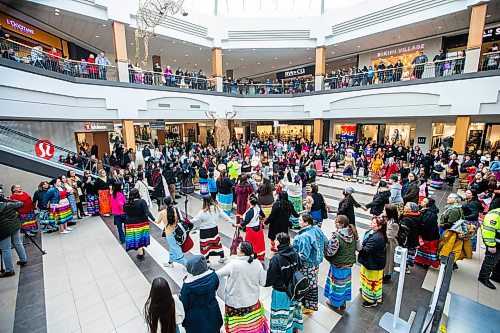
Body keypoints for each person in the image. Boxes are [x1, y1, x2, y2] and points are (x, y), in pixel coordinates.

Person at [216, 241, 269, 333]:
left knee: (237, 328)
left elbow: (218, 274)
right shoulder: (257, 264)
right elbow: (263, 283)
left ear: (242, 253)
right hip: (252, 303)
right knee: (251, 327)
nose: (236, 249)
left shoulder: (234, 264)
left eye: (238, 248)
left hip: (235, 304)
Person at [265, 232, 303, 332]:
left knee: (280, 314)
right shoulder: (295, 253)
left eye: (276, 240)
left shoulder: (276, 259)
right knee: (292, 310)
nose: (275, 242)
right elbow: (300, 267)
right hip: (294, 289)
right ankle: (292, 328)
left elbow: (269, 280)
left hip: (281, 292)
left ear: (280, 242)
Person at [293, 213, 329, 314]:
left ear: (306, 223)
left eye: (300, 220)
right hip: (315, 263)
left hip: (307, 265)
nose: (298, 221)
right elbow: (326, 241)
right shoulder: (317, 229)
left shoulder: (304, 236)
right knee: (313, 283)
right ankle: (311, 305)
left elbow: (303, 255)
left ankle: (307, 306)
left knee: (305, 284)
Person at [324, 215, 358, 312]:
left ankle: (335, 305)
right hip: (348, 266)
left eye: (336, 222)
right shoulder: (353, 234)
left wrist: (325, 249)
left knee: (337, 285)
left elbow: (330, 252)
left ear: (342, 225)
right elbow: (357, 247)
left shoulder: (337, 237)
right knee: (345, 284)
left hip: (338, 265)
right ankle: (343, 302)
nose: (335, 223)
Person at [180, 255, 223, 333]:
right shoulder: (213, 276)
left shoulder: (187, 286)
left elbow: (183, 303)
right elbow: (216, 287)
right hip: (212, 312)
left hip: (195, 319)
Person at [190, 196, 231, 264]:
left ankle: (207, 260)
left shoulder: (203, 212)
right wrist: (232, 222)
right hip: (214, 229)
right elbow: (225, 215)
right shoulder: (216, 208)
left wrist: (185, 221)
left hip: (204, 231)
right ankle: (222, 256)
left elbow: (194, 220)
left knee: (205, 245)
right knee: (216, 243)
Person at [357, 216, 387, 308]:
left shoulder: (377, 238)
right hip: (369, 262)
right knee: (367, 280)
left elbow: (365, 250)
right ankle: (367, 293)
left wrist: (358, 246)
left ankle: (371, 300)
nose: (371, 224)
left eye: (374, 223)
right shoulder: (373, 233)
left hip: (373, 263)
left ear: (379, 226)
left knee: (372, 283)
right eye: (371, 222)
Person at [0, 188, 28, 278]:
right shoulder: (8, 204)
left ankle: (9, 270)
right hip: (14, 226)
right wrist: (9, 200)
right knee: (17, 242)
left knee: (6, 249)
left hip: (3, 230)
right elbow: (21, 204)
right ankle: (23, 259)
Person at [155, 196, 186, 267]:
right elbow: (181, 220)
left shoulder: (162, 213)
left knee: (176, 249)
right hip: (177, 232)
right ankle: (170, 262)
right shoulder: (176, 210)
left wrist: (153, 219)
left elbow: (157, 222)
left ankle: (186, 264)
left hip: (169, 234)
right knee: (172, 248)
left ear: (164, 203)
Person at [124, 188, 154, 260]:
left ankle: (140, 252)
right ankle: (140, 254)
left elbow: (125, 212)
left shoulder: (126, 203)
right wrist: (153, 219)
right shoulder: (142, 202)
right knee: (140, 237)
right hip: (142, 223)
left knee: (135, 238)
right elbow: (147, 212)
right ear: (138, 194)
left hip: (131, 224)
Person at [478, 200, 500, 289]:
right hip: (495, 244)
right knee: (490, 261)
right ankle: (483, 277)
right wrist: (491, 245)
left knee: (496, 261)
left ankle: (496, 276)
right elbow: (488, 230)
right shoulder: (495, 214)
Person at [415, 198, 440, 269]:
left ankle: (427, 263)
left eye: (424, 201)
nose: (422, 202)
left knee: (428, 249)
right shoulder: (424, 211)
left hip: (429, 236)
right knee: (423, 249)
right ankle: (421, 261)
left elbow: (425, 225)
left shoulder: (430, 214)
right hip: (427, 235)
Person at [240, 194, 266, 260]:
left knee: (249, 244)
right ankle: (259, 255)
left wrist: (238, 225)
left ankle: (249, 256)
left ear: (250, 202)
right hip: (258, 228)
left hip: (251, 229)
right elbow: (263, 215)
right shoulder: (257, 207)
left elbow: (246, 221)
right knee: (258, 243)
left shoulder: (250, 211)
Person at [399, 202, 421, 271]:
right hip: (412, 240)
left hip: (408, 240)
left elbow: (404, 231)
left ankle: (404, 267)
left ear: (411, 209)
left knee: (405, 254)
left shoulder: (408, 219)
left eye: (407, 206)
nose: (405, 206)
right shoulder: (415, 216)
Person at [382, 204, 400, 283]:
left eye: (384, 210)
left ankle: (386, 275)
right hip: (385, 243)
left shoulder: (394, 224)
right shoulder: (386, 219)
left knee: (388, 261)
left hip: (390, 245)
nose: (383, 211)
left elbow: (389, 236)